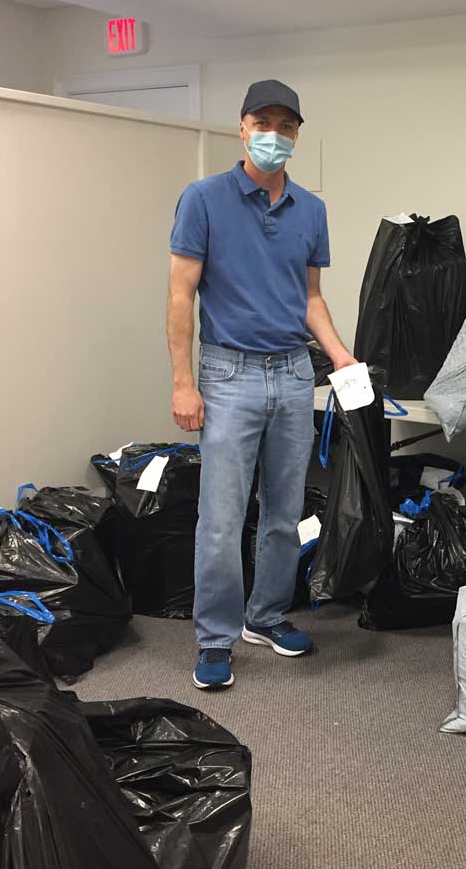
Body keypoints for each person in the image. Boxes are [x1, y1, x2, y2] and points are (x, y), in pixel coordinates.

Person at [167, 79, 355, 690]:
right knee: (220, 519)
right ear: (242, 127)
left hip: (295, 374)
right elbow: (180, 295)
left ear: (298, 134)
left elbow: (310, 300)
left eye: (287, 125)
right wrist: (182, 383)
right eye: (264, 122)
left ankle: (266, 616)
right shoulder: (203, 199)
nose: (275, 134)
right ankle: (215, 638)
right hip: (228, 374)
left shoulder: (312, 210)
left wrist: (342, 359)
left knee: (284, 511)